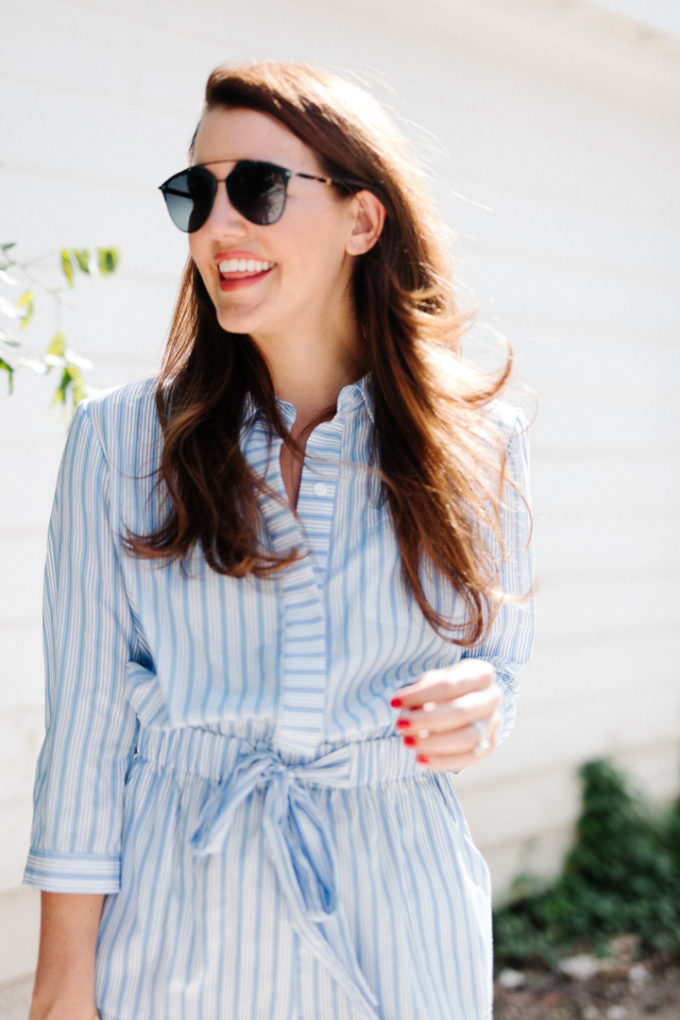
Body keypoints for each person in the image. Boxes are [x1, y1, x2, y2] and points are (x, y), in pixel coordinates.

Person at [25, 61, 534, 1020]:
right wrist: (61, 987)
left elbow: (498, 669)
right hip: (180, 919)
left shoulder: (483, 444)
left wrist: (481, 708)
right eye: (194, 193)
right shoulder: (120, 442)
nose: (218, 228)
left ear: (361, 220)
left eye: (256, 188)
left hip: (398, 919)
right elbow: (87, 732)